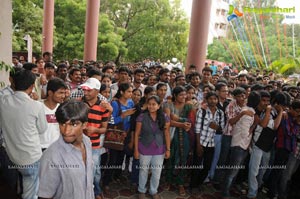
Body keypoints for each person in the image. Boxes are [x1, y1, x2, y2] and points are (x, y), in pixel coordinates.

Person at [0, 69, 48, 199]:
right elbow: (42, 129)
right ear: (32, 86)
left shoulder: (3, 101)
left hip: (13, 155)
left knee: (25, 184)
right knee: (31, 192)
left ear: (13, 83)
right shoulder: (36, 106)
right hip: (31, 157)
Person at [38, 100, 94, 199]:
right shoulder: (51, 157)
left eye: (74, 124)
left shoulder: (87, 142)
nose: (66, 131)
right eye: (62, 124)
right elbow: (45, 195)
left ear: (84, 125)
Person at [222, 91, 261, 198]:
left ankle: (228, 190)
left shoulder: (248, 111)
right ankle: (225, 193)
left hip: (242, 145)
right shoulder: (248, 114)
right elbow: (245, 134)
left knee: (234, 171)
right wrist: (254, 125)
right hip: (239, 145)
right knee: (232, 172)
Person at [80, 78, 112, 199]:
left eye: (89, 90)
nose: (85, 93)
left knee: (96, 171)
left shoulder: (103, 107)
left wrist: (95, 130)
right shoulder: (79, 104)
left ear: (97, 91)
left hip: (95, 144)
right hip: (80, 144)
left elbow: (104, 128)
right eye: (84, 90)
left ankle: (96, 190)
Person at [134, 95, 171, 199]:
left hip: (159, 149)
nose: (151, 106)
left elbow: (167, 133)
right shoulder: (142, 117)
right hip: (144, 148)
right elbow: (137, 134)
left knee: (157, 171)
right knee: (143, 170)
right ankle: (141, 190)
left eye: (154, 104)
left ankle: (153, 190)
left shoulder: (164, 117)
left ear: (159, 106)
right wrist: (136, 150)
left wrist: (168, 149)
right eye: (149, 104)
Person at [102, 83, 136, 195]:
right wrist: (123, 115)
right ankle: (105, 183)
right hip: (116, 136)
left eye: (132, 92)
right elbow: (111, 121)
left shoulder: (131, 102)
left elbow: (132, 119)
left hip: (126, 134)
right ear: (121, 92)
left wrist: (129, 132)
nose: (131, 94)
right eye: (129, 92)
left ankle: (116, 176)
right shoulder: (115, 104)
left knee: (120, 158)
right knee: (112, 159)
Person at [164, 86, 196, 196]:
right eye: (181, 95)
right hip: (171, 136)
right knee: (171, 158)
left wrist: (178, 119)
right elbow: (167, 121)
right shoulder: (168, 105)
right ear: (175, 96)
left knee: (183, 159)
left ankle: (180, 183)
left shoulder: (189, 106)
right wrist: (182, 124)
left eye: (184, 94)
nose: (184, 97)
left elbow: (191, 121)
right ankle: (169, 181)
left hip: (185, 138)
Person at [41, 78, 67, 151]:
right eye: (60, 93)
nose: (63, 96)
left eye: (64, 93)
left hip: (57, 148)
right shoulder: (38, 107)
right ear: (50, 93)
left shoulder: (63, 109)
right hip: (40, 148)